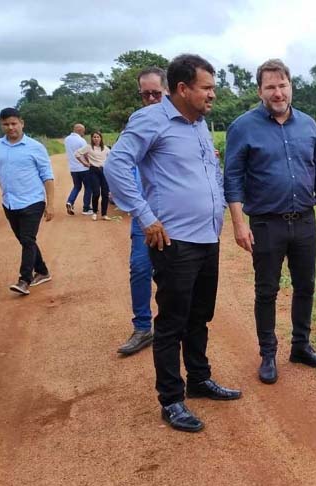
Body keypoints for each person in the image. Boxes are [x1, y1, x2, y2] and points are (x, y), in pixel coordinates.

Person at [105, 54, 240, 433]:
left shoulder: (199, 124)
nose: (212, 94)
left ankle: (199, 379)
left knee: (200, 316)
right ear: (183, 89)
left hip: (206, 237)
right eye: (206, 88)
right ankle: (171, 399)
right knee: (172, 323)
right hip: (174, 240)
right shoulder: (151, 120)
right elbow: (117, 165)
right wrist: (145, 216)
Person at [225, 59, 316, 385]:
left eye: (282, 85)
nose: (278, 93)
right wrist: (238, 224)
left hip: (304, 220)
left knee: (306, 286)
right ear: (260, 91)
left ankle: (301, 346)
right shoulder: (242, 127)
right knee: (267, 290)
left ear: (291, 86)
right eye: (270, 87)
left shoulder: (308, 124)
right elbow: (231, 178)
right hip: (265, 223)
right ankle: (268, 353)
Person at [116, 66, 167, 357]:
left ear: (168, 91)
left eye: (156, 93)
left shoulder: (183, 122)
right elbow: (121, 165)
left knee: (173, 272)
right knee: (140, 267)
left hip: (175, 214)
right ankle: (143, 326)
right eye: (145, 94)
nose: (150, 98)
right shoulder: (137, 124)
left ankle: (172, 323)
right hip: (145, 213)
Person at [0, 107, 55, 295]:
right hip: (10, 202)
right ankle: (43, 271)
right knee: (24, 240)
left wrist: (50, 204)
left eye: (14, 123)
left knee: (28, 239)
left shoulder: (35, 147)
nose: (10, 128)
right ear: (1, 125)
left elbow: (48, 177)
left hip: (33, 201)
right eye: (6, 124)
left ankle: (24, 280)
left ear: (22, 123)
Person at [75, 131, 111, 221]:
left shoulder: (105, 148)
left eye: (98, 137)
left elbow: (112, 158)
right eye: (94, 137)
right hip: (93, 171)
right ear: (92, 138)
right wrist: (84, 163)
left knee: (105, 193)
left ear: (101, 138)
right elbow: (77, 154)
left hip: (104, 171)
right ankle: (94, 212)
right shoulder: (89, 147)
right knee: (96, 193)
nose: (96, 138)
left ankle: (104, 214)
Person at [63, 123, 91, 216]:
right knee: (88, 187)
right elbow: (85, 153)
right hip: (83, 168)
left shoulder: (66, 139)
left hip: (73, 168)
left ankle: (70, 202)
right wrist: (89, 163)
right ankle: (86, 208)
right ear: (79, 130)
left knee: (77, 186)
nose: (84, 132)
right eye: (83, 131)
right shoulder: (81, 140)